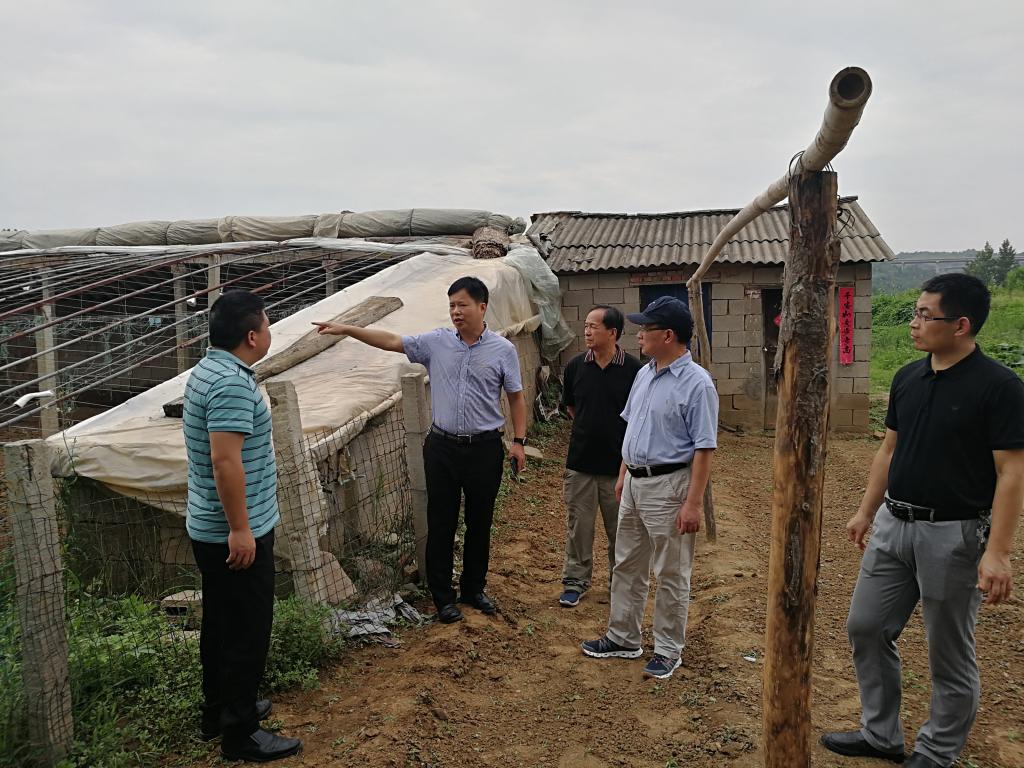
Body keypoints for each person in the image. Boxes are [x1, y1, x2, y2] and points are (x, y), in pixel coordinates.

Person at [821, 274, 1024, 767]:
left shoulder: (999, 387)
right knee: (866, 627)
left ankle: (936, 751)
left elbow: (1012, 472)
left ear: (961, 325)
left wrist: (997, 552)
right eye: (914, 313)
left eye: (924, 315)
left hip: (954, 534)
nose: (913, 323)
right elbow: (889, 450)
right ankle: (881, 734)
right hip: (894, 524)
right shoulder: (908, 378)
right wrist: (866, 510)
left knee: (948, 651)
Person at [314, 276, 527, 624]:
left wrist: (519, 442)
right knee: (441, 521)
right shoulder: (436, 342)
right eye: (452, 305)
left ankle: (473, 589)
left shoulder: (503, 350)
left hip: (484, 448)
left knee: (480, 522)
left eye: (462, 305)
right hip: (442, 447)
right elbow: (392, 341)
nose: (456, 311)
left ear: (482, 307)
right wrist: (350, 329)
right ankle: (443, 596)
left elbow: (516, 397)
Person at [184, 290, 302, 762]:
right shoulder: (231, 384)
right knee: (247, 631)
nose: (270, 331)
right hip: (232, 532)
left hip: (210, 526)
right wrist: (241, 528)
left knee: (220, 623)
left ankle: (220, 710)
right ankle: (241, 734)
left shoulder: (207, 370)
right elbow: (225, 461)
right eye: (268, 324)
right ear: (252, 336)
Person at [580, 296, 718, 680]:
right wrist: (623, 473)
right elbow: (633, 427)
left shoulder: (697, 384)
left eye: (646, 329)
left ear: (668, 335)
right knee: (627, 563)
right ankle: (623, 636)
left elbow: (704, 449)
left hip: (669, 486)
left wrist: (693, 504)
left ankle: (668, 649)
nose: (639, 335)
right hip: (635, 483)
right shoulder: (645, 373)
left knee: (671, 571)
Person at [558, 305, 642, 607]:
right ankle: (575, 581)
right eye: (585, 325)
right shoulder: (575, 367)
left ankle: (619, 583)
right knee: (578, 528)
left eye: (594, 326)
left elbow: (637, 417)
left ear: (613, 332)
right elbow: (572, 408)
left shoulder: (634, 370)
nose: (587, 331)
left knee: (620, 530)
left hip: (619, 468)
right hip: (580, 463)